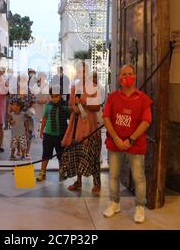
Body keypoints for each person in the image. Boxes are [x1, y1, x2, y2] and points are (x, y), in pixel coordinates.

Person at [102, 64, 152, 224]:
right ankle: (114, 203)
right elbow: (106, 117)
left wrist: (130, 139)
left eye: (130, 73)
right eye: (123, 74)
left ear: (135, 76)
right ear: (119, 78)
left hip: (135, 145)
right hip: (115, 143)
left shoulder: (143, 98)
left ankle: (139, 207)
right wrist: (116, 138)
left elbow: (146, 121)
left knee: (139, 177)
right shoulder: (112, 97)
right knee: (114, 176)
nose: (127, 76)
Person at [60, 62, 102, 196]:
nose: (81, 73)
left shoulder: (94, 87)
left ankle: (97, 183)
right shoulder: (74, 87)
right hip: (76, 123)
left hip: (89, 124)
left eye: (83, 71)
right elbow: (70, 104)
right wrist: (74, 108)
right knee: (77, 152)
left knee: (92, 153)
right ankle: (78, 181)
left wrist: (83, 103)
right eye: (78, 71)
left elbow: (97, 107)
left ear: (87, 72)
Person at [36, 92, 70, 182]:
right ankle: (42, 172)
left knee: (61, 154)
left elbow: (70, 117)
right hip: (48, 134)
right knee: (46, 154)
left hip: (61, 134)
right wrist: (42, 130)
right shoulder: (48, 106)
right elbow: (44, 118)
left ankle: (62, 171)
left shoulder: (65, 106)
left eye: (57, 96)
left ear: (60, 96)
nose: (55, 98)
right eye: (53, 96)